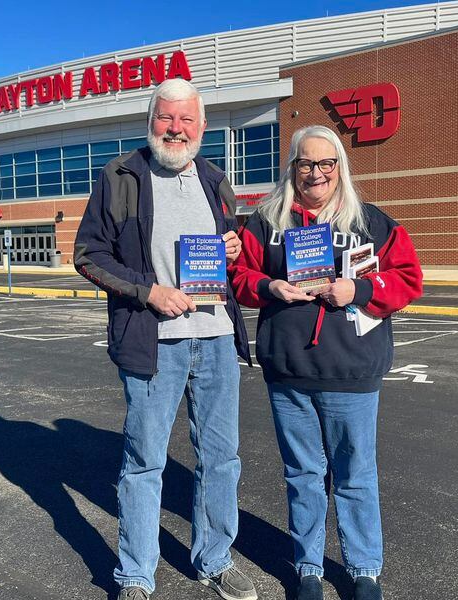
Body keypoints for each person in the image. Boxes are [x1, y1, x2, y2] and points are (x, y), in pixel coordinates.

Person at [74, 78, 257, 600]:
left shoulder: (215, 178)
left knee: (222, 458)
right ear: (150, 121)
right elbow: (88, 255)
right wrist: (148, 291)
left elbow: (230, 247)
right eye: (166, 119)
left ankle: (215, 559)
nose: (176, 129)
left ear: (201, 126)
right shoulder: (121, 176)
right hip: (154, 340)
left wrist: (234, 246)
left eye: (186, 121)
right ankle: (135, 574)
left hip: (217, 336)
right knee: (144, 460)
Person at [229, 125, 423, 600]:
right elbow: (235, 274)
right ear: (292, 167)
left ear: (340, 168)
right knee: (302, 476)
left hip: (351, 372)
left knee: (355, 476)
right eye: (305, 163)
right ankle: (309, 569)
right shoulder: (266, 223)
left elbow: (409, 280)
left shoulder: (372, 224)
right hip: (288, 372)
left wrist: (357, 289)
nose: (315, 174)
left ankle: (363, 570)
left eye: (325, 164)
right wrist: (267, 287)